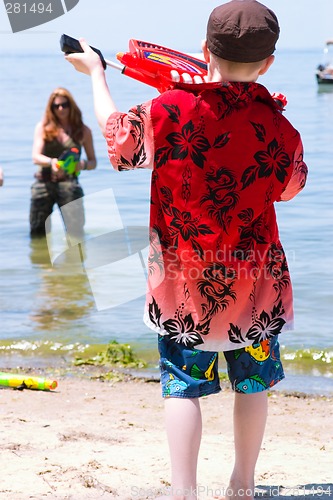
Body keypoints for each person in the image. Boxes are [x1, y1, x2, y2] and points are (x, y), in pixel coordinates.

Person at [65, 1, 308, 499]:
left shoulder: (168, 108)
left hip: (181, 285)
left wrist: (96, 73)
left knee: (182, 386)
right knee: (253, 385)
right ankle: (242, 485)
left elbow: (119, 144)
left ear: (203, 51)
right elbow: (290, 189)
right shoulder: (281, 128)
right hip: (254, 287)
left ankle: (183, 491)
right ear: (268, 64)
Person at [30, 87, 97, 239]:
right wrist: (51, 162)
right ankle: (42, 263)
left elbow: (93, 162)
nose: (61, 109)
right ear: (51, 108)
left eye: (64, 105)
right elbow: (35, 156)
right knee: (37, 233)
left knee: (76, 234)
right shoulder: (43, 128)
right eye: (56, 106)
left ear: (71, 106)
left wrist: (83, 164)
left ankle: (74, 263)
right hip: (44, 182)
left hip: (70, 184)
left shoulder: (83, 130)